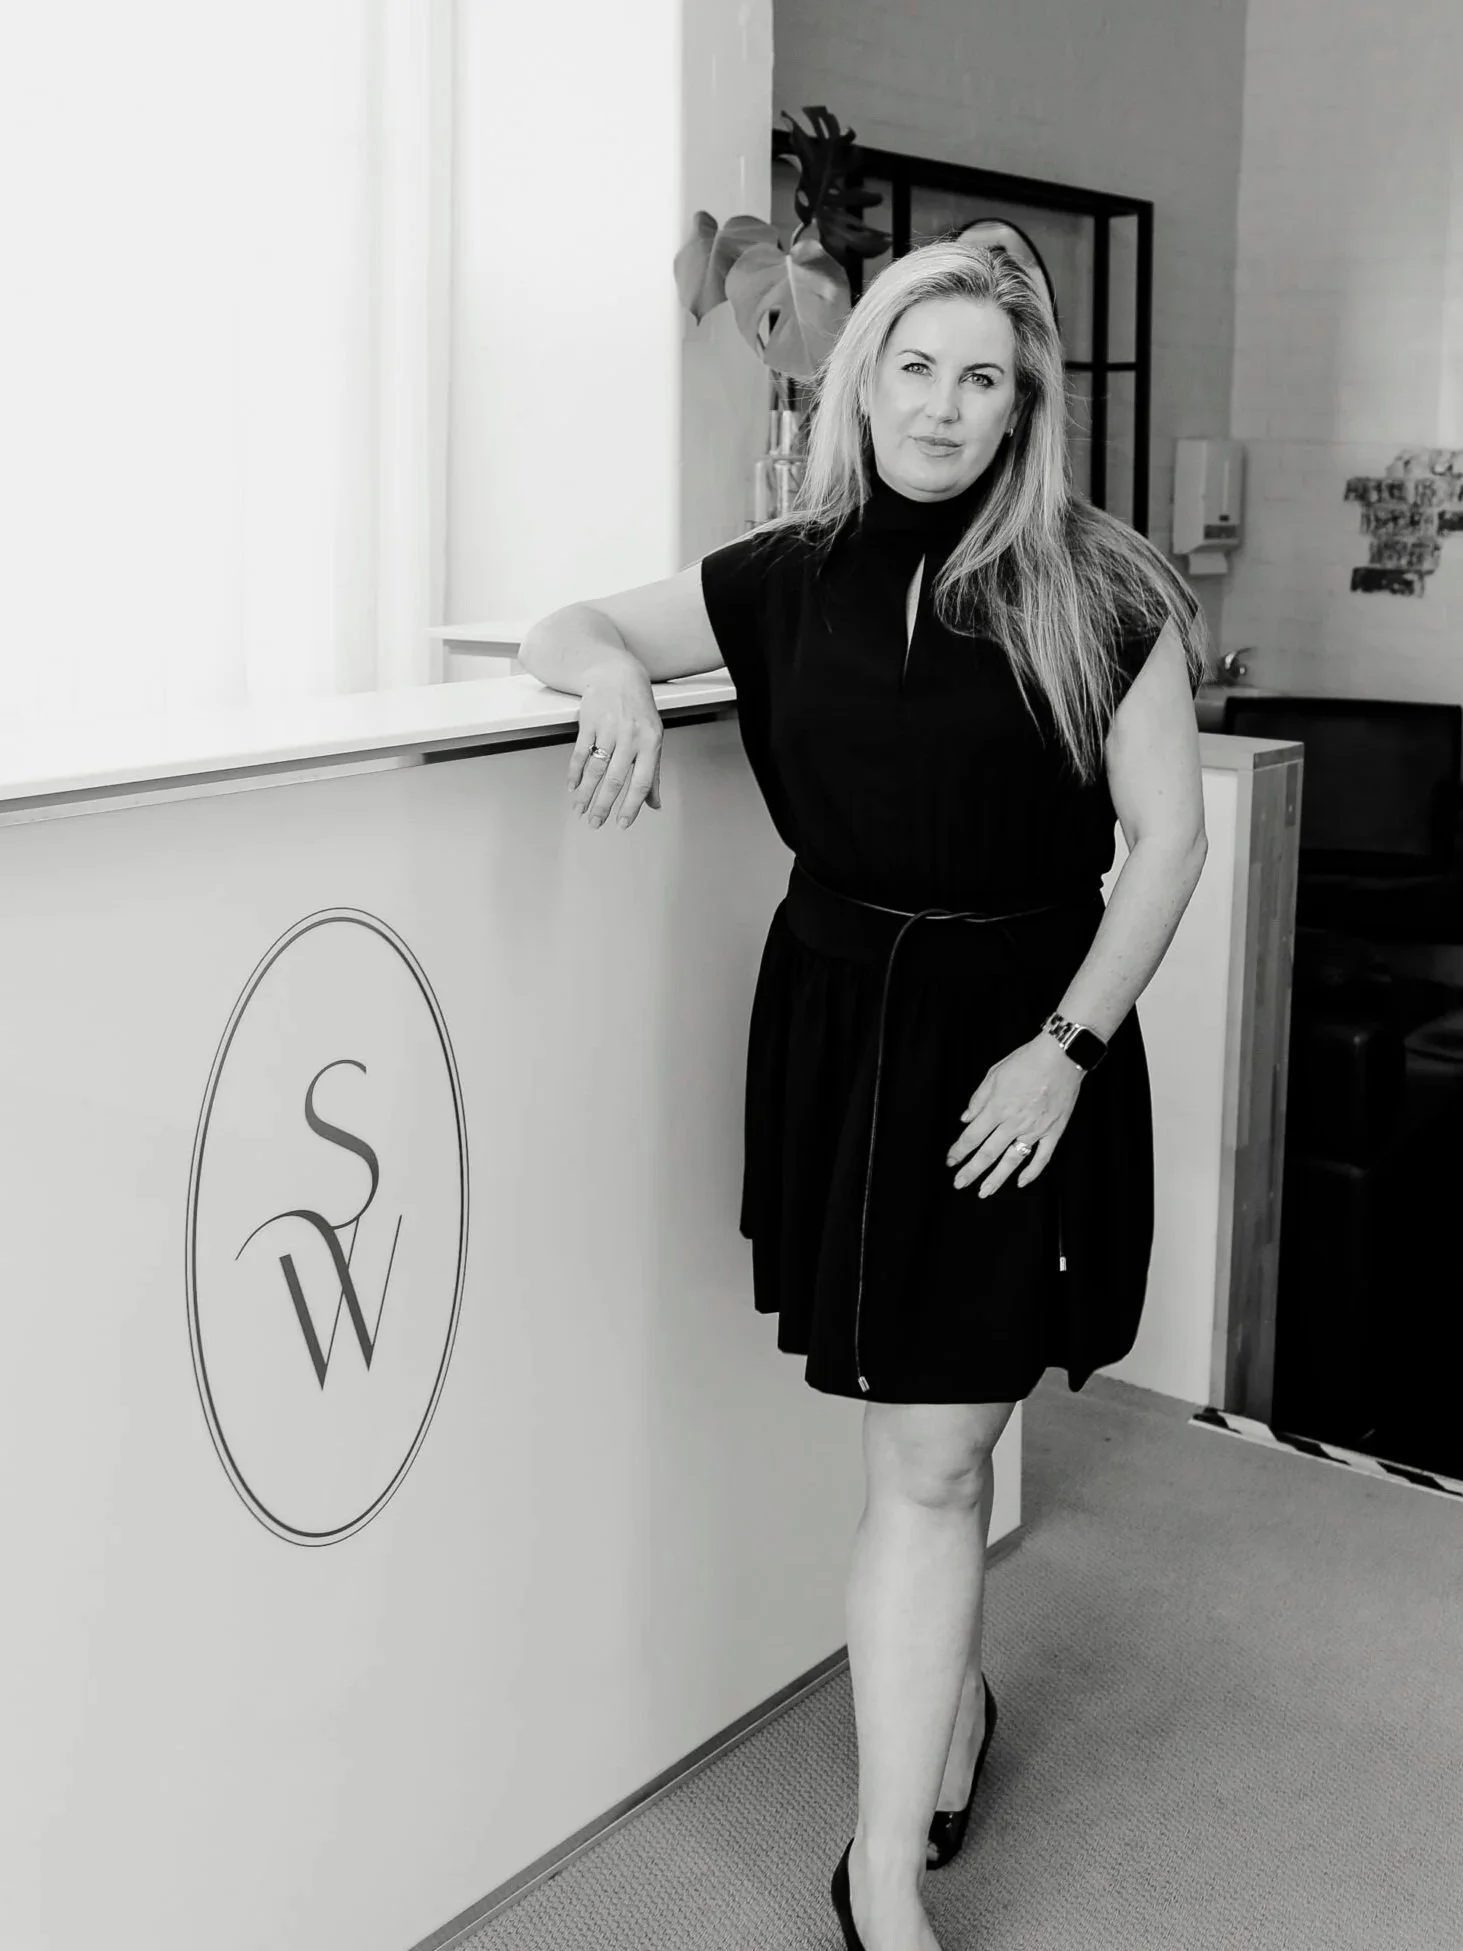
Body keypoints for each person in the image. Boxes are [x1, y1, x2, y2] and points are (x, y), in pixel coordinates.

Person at [515, 238, 1209, 1951]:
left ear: (1019, 407)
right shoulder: (785, 573)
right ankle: (949, 1712)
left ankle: (879, 1875)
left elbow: (1168, 841)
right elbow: (573, 617)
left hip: (1023, 1045)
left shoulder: (1100, 587)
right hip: (842, 1027)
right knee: (931, 1438)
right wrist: (607, 667)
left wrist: (1064, 1052)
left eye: (981, 378)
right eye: (915, 366)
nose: (942, 403)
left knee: (939, 1451)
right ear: (861, 375)